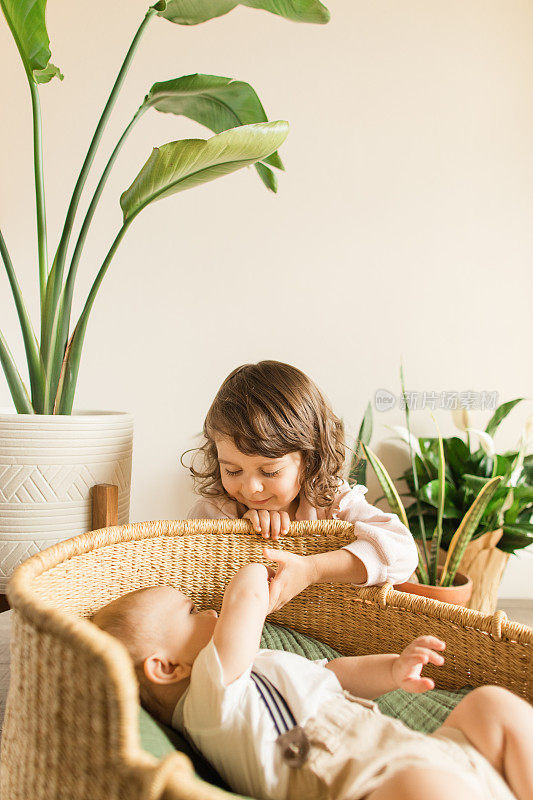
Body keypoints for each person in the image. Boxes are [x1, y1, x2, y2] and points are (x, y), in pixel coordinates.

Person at [92, 570, 532, 800]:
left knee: (490, 705)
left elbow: (335, 672)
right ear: (167, 668)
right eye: (192, 613)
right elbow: (245, 600)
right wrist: (250, 567)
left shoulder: (261, 662)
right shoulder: (209, 701)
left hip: (421, 751)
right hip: (365, 782)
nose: (210, 613)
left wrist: (393, 670)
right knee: (415, 787)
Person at [183, 360, 419, 611]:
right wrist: (243, 532)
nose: (251, 488)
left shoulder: (332, 502)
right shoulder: (216, 512)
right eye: (232, 470)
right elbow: (195, 579)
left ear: (310, 459)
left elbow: (403, 552)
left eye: (269, 472)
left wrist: (312, 569)